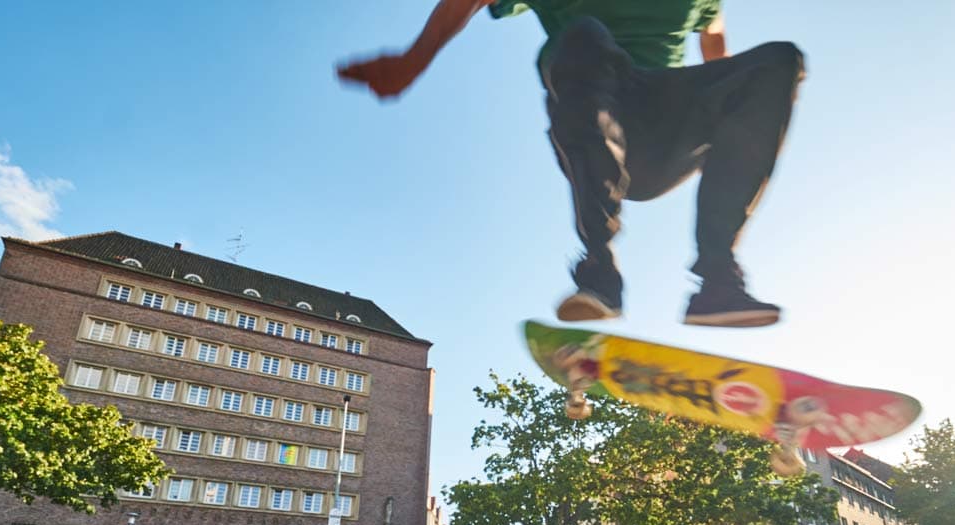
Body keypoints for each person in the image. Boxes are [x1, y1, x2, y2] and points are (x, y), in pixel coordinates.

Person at [339, 1, 803, 328]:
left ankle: (718, 280)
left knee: (780, 60)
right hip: (597, 120)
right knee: (582, 35)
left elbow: (716, 50)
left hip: (669, 133)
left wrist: (737, 148)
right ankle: (599, 274)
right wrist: (415, 59)